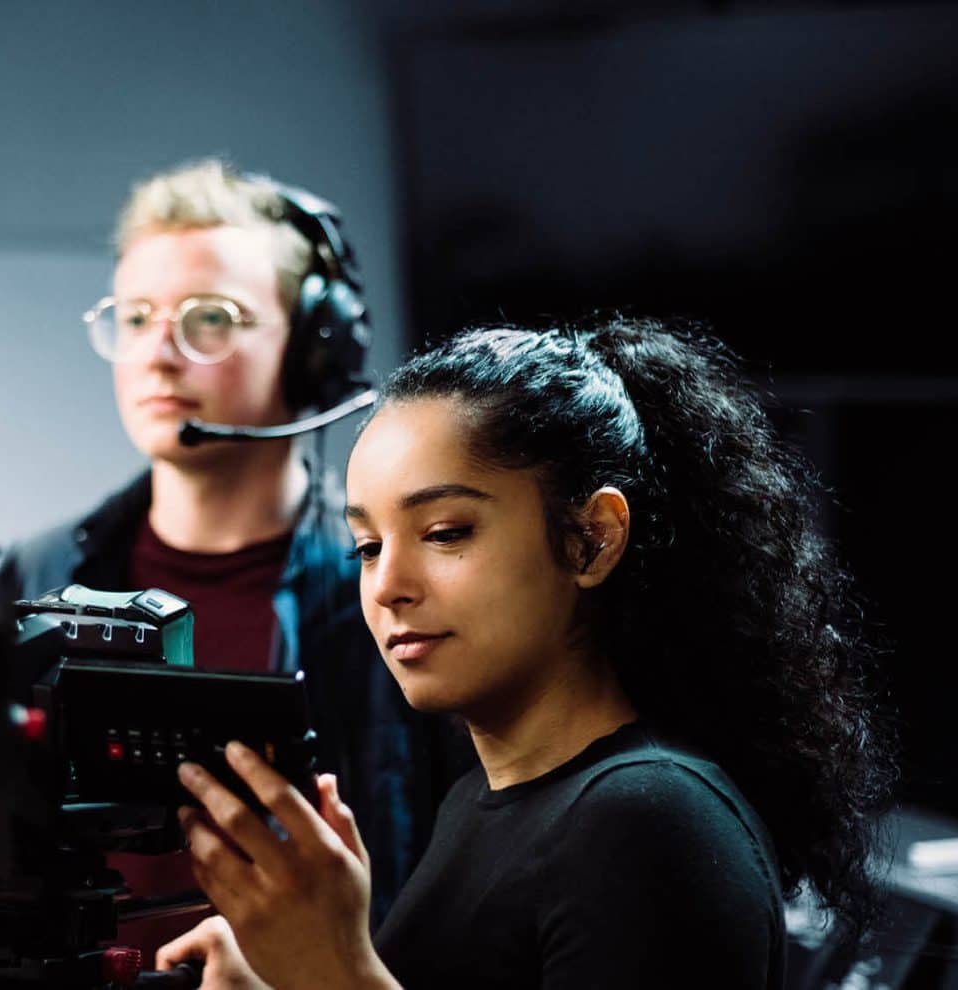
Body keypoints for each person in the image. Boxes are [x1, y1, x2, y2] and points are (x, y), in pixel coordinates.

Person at [159, 318, 898, 988]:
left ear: (593, 538)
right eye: (367, 547)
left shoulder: (652, 823)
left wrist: (334, 970)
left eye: (445, 532)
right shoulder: (478, 803)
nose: (387, 587)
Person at [0, 160, 469, 951]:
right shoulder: (39, 578)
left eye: (209, 318)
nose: (159, 353)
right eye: (136, 318)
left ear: (313, 349)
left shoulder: (387, 588)